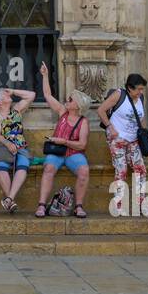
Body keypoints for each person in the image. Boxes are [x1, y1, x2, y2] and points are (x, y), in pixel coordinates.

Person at [33, 62, 90, 219]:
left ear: (77, 106)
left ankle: (78, 206)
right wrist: (44, 75)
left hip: (73, 153)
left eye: (71, 99)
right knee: (49, 168)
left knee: (84, 171)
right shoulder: (62, 112)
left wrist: (63, 142)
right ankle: (41, 205)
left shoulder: (83, 122)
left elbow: (82, 145)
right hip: (56, 152)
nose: (67, 99)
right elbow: (47, 95)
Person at [97, 74, 148, 216]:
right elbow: (101, 110)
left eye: (142, 89)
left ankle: (142, 204)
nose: (140, 92)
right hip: (118, 139)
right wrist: (110, 127)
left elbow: (142, 117)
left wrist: (144, 133)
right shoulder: (119, 95)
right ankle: (118, 205)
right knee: (121, 170)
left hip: (134, 140)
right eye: (138, 89)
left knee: (141, 170)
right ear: (129, 88)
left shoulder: (140, 98)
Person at [0, 85, 36, 213]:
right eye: (5, 94)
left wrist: (14, 91)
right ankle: (11, 201)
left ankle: (9, 199)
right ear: (0, 101)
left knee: (23, 164)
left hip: (20, 147)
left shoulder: (17, 110)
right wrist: (8, 143)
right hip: (3, 147)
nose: (9, 95)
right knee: (1, 166)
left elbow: (31, 95)